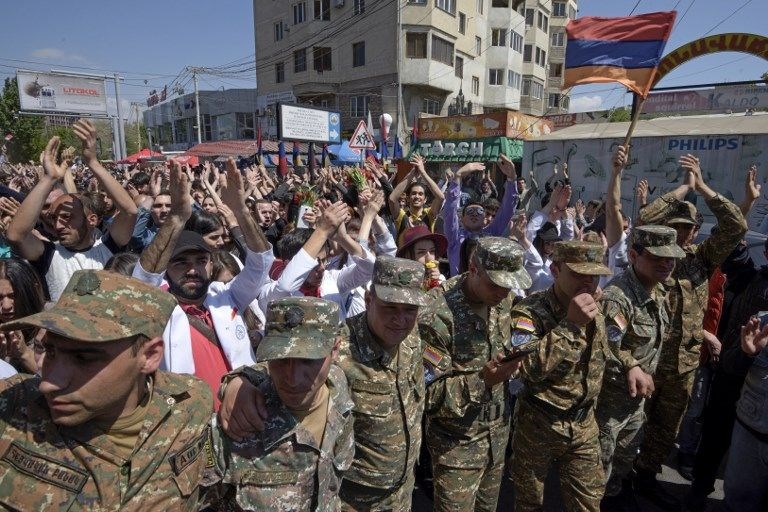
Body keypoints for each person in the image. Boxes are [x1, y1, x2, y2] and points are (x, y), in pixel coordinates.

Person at [219, 256, 438, 512]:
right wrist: (239, 381)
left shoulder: (411, 338)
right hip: (354, 500)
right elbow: (282, 364)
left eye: (409, 309)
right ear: (369, 300)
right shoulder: (340, 346)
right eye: (390, 307)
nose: (400, 319)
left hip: (402, 491)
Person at [0, 269, 212, 510]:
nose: (48, 383)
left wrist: (241, 380)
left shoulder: (190, 403)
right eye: (50, 351)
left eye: (84, 358)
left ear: (149, 356)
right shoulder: (11, 405)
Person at [634, 154, 747, 508]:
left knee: (665, 430)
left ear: (696, 230)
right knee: (629, 427)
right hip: (648, 361)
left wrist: (704, 189)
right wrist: (683, 189)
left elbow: (736, 226)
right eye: (677, 226)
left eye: (688, 227)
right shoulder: (653, 259)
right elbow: (644, 218)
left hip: (682, 367)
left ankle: (645, 479)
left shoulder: (702, 258)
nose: (683, 233)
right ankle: (619, 485)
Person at [132, 159, 273, 408]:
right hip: (190, 420)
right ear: (166, 268)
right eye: (181, 263)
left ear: (211, 263)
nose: (192, 270)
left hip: (245, 414)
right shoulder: (158, 307)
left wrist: (240, 210)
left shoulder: (226, 295)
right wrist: (176, 218)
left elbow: (261, 263)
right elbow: (142, 283)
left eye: (201, 261)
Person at [206, 297, 354, 512]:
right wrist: (236, 381)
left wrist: (239, 377)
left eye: (309, 360)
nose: (293, 379)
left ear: (335, 349)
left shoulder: (338, 386)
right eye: (281, 359)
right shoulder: (240, 421)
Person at [418, 236, 532, 512]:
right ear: (473, 269)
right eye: (496, 284)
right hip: (457, 446)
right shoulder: (437, 314)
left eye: (509, 285)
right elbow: (427, 394)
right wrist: (483, 381)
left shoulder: (505, 300)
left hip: (497, 439)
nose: (503, 293)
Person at [509, 241, 613, 512]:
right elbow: (525, 368)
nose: (588, 282)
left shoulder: (596, 306)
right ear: (555, 270)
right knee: (530, 502)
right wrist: (571, 325)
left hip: (584, 423)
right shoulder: (530, 311)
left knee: (588, 503)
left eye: (594, 275)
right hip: (539, 424)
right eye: (579, 274)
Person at [596, 225, 685, 510]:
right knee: (601, 464)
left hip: (636, 399)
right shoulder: (618, 297)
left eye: (671, 258)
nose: (667, 264)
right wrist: (631, 365)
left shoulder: (658, 290)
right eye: (658, 257)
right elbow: (605, 347)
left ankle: (617, 493)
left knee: (625, 456)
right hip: (610, 402)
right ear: (634, 256)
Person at [6, 120, 138, 302]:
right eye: (54, 218)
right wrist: (49, 178)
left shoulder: (108, 247)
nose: (58, 225)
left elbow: (130, 211)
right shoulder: (50, 254)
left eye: (67, 216)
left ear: (92, 220)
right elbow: (15, 236)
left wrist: (92, 162)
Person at [719, 317, 768, 512]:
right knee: (736, 502)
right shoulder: (760, 321)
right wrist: (747, 353)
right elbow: (729, 366)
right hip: (750, 434)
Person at [442, 155, 519, 276]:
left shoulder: (492, 233)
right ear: (462, 219)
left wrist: (511, 179)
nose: (474, 214)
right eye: (470, 211)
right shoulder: (454, 237)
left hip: (485, 286)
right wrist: (457, 177)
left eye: (479, 211)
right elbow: (449, 211)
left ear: (485, 218)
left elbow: (507, 210)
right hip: (459, 285)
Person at [388, 154, 445, 242]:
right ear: (408, 198)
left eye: (420, 194)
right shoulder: (402, 216)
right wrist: (412, 173)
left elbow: (440, 198)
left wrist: (423, 172)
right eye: (413, 193)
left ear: (425, 199)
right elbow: (392, 199)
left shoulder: (429, 214)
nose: (417, 197)